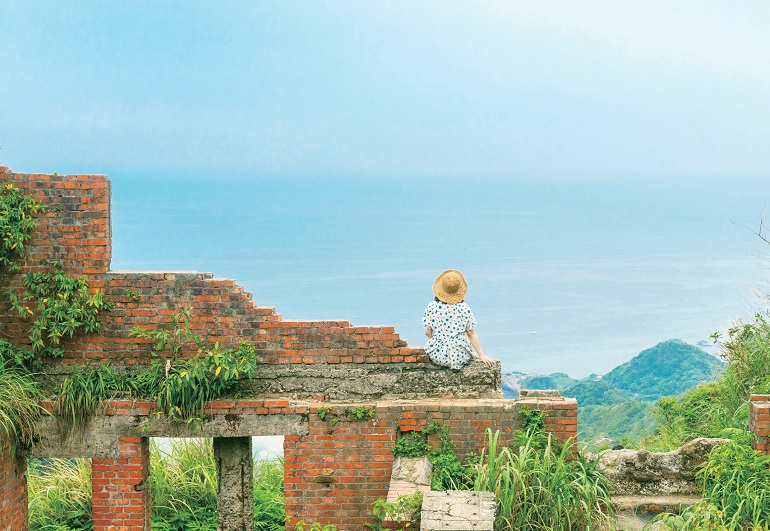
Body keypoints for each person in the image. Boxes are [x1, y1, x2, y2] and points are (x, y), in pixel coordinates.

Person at [423, 270, 496, 370]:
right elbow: (471, 333)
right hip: (460, 355)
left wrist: (439, 342)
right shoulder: (464, 308)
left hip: (437, 355)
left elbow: (427, 332)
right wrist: (481, 355)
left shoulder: (431, 307)